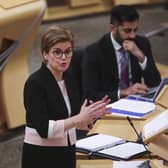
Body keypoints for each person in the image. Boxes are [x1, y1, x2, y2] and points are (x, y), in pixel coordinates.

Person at [21, 26, 110, 168]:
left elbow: (71, 119)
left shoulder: (69, 78)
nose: (64, 57)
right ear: (45, 54)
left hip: (67, 151)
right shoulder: (35, 83)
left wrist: (90, 117)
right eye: (57, 52)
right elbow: (45, 129)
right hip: (41, 156)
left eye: (68, 52)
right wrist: (78, 118)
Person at [82, 4, 161, 102]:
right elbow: (90, 94)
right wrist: (124, 92)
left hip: (137, 102)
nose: (132, 36)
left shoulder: (141, 43)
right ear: (112, 28)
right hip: (110, 105)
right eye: (127, 31)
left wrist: (140, 56)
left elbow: (155, 82)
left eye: (135, 30)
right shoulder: (94, 52)